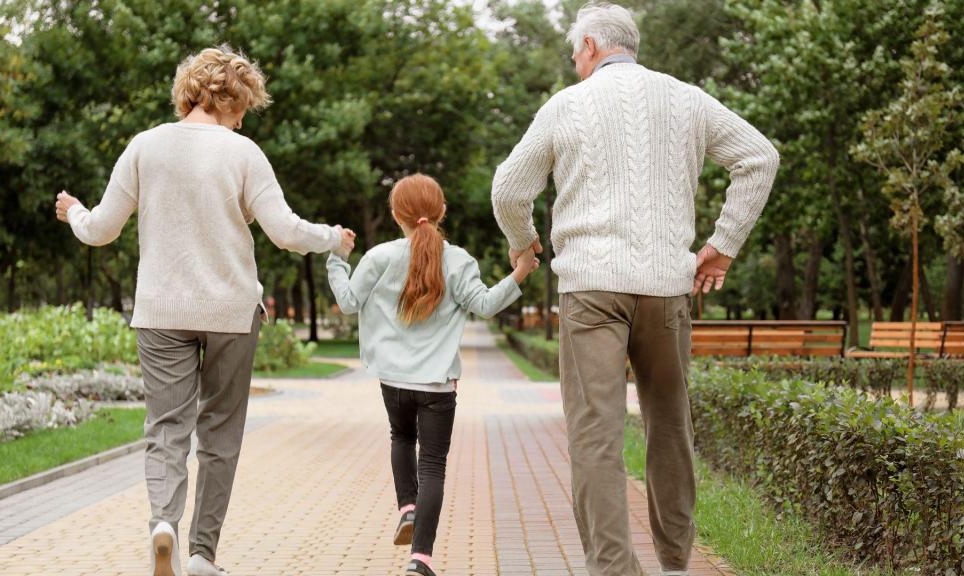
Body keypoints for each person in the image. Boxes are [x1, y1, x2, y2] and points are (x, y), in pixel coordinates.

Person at [490, 3, 780, 575]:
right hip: (666, 287)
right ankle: (675, 564)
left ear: (593, 45)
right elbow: (759, 157)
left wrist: (522, 243)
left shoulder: (566, 105)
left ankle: (614, 569)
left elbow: (508, 189)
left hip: (590, 288)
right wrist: (723, 243)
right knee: (669, 425)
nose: (575, 63)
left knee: (594, 433)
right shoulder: (687, 98)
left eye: (575, 52)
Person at [54, 45, 356, 576]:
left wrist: (75, 212)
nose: (243, 120)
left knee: (166, 427)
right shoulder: (243, 154)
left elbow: (101, 231)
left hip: (161, 311)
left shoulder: (144, 147)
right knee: (220, 433)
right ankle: (201, 554)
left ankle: (163, 523)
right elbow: (285, 232)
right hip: (231, 313)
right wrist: (333, 238)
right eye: (244, 108)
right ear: (232, 99)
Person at [326, 174, 538, 576]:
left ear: (395, 214)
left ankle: (407, 508)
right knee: (433, 465)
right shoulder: (458, 259)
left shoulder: (379, 257)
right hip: (438, 386)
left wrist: (337, 259)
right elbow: (486, 304)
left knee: (401, 438)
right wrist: (522, 270)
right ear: (441, 212)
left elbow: (349, 302)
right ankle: (420, 561)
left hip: (393, 381)